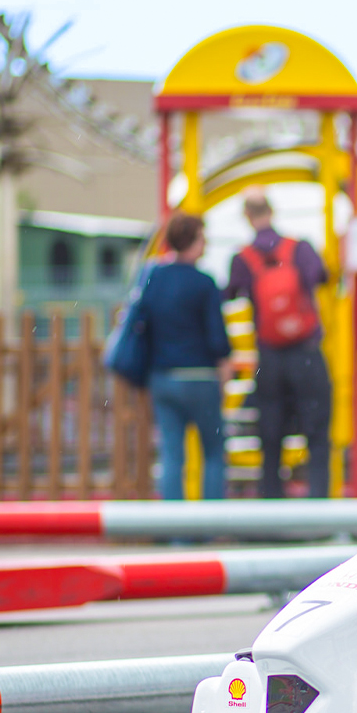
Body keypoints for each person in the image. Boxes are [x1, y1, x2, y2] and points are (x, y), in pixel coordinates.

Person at [224, 187, 332, 499]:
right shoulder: (300, 249)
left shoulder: (242, 259)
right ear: (272, 212)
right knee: (317, 434)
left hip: (269, 359)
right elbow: (322, 276)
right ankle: (319, 504)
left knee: (270, 436)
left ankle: (272, 507)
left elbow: (230, 293)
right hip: (307, 355)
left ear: (247, 217)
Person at [138, 212, 231, 500]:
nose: (206, 245)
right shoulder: (204, 283)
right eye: (203, 238)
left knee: (172, 454)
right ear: (193, 241)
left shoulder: (154, 277)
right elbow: (217, 338)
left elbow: (143, 325)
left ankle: (176, 531)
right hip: (200, 378)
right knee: (213, 452)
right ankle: (211, 523)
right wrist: (224, 374)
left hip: (163, 378)